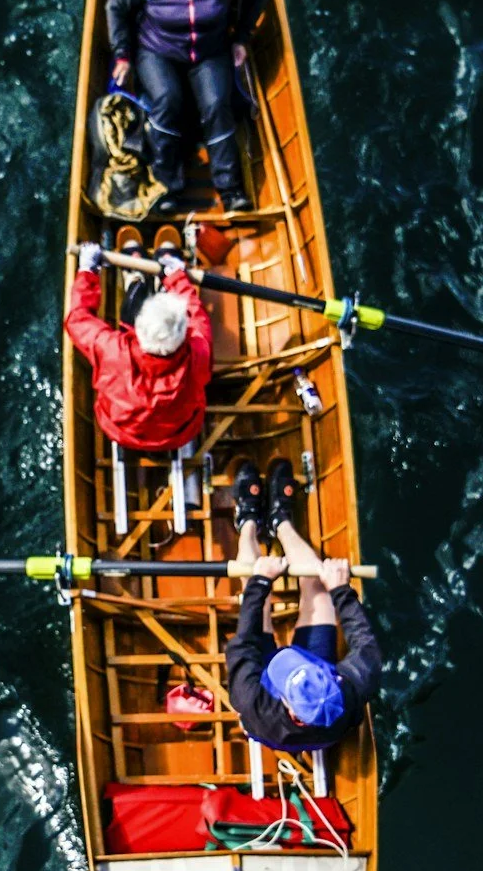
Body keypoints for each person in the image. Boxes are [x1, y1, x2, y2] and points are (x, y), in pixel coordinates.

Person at [106, 0, 267, 215]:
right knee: (167, 100)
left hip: (209, 51)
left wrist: (242, 37)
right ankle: (168, 186)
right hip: (157, 51)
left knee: (217, 104)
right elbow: (117, 6)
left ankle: (230, 189)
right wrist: (123, 54)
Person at [223, 457, 381, 753]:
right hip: (320, 724)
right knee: (319, 590)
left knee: (256, 602)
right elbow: (365, 643)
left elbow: (242, 643)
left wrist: (260, 581)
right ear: (331, 680)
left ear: (293, 713)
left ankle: (248, 523)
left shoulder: (254, 702)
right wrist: (339, 589)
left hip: (268, 714)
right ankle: (280, 522)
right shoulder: (349, 691)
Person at [66, 240, 213, 453]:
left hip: (120, 431)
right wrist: (177, 278)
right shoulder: (199, 352)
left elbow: (77, 319)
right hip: (180, 433)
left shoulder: (112, 351)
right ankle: (163, 284)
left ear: (139, 327)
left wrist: (88, 270)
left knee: (131, 305)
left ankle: (136, 280)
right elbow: (197, 315)